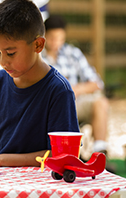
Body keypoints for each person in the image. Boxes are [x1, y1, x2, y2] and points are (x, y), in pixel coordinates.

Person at [0, 0, 80, 167]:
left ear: (38, 45)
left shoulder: (58, 90)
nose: (3, 62)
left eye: (10, 53)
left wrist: (3, 159)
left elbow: (62, 154)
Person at [42, 14, 110, 154]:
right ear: (44, 36)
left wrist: (76, 89)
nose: (56, 42)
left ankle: (99, 152)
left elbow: (97, 83)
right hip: (49, 107)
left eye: (60, 38)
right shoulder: (37, 56)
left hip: (75, 103)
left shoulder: (72, 53)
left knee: (100, 102)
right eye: (52, 38)